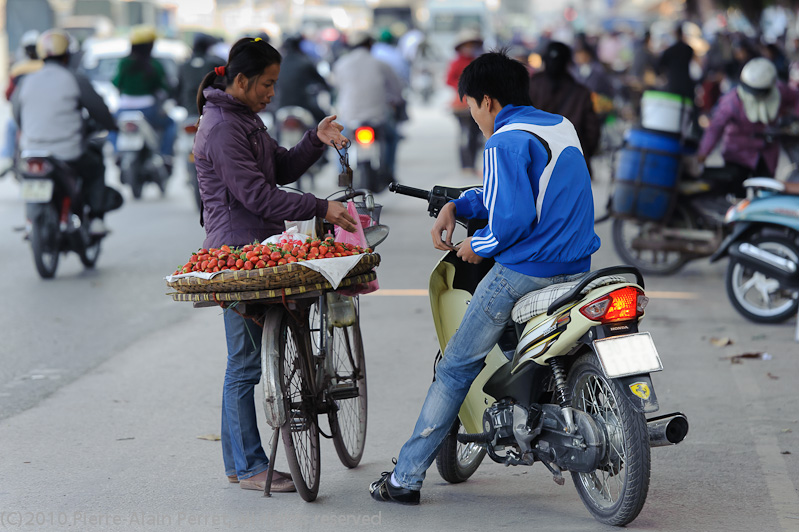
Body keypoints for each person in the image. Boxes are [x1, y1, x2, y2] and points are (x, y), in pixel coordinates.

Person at [369, 51, 601, 505]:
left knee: (455, 367)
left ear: (488, 101)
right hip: (578, 269)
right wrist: (459, 206)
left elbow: (510, 220)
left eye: (471, 105)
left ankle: (405, 478)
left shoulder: (502, 141)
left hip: (526, 273)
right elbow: (518, 195)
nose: (473, 115)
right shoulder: (557, 126)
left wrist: (477, 244)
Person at [193, 36, 356, 492]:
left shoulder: (244, 118)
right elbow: (256, 195)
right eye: (266, 84)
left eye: (274, 84)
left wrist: (315, 140)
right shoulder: (224, 127)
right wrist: (321, 208)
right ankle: (247, 466)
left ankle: (238, 462)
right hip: (236, 253)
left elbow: (279, 170)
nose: (271, 92)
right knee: (245, 364)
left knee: (246, 359)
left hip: (260, 245)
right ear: (241, 80)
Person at [12, 28, 118, 234]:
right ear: (68, 54)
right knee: (95, 165)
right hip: (68, 152)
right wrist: (110, 125)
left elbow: (18, 116)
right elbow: (99, 110)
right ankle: (96, 218)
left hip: (31, 152)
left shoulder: (25, 82)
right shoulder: (75, 79)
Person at [697, 57, 799, 197]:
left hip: (767, 154)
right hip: (737, 154)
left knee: (765, 193)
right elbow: (715, 128)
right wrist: (703, 153)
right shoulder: (731, 102)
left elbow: (796, 98)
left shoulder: (780, 91)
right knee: (737, 196)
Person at [332, 30, 405, 186]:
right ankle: (389, 172)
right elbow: (397, 90)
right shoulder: (381, 64)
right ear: (370, 44)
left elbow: (336, 86)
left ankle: (342, 173)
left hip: (350, 117)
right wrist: (395, 101)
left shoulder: (341, 64)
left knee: (339, 141)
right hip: (377, 117)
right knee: (392, 137)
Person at [529, 41, 600, 176]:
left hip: (535, 161)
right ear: (568, 62)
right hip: (572, 163)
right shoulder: (581, 92)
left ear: (544, 60)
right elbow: (592, 131)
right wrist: (584, 153)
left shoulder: (530, 87)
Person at [112, 25, 177, 167]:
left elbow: (116, 82)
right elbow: (164, 87)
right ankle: (166, 155)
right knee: (170, 124)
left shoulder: (124, 63)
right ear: (150, 46)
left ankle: (117, 152)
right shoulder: (155, 65)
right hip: (148, 110)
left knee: (111, 126)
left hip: (123, 110)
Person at [1, 30, 43, 176]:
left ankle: (7, 158)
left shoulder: (19, 69)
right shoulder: (46, 67)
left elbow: (8, 95)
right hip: (41, 115)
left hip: (24, 115)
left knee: (11, 126)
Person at [446, 29, 484, 175]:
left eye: (472, 45)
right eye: (466, 45)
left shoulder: (477, 62)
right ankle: (465, 165)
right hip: (461, 105)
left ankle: (472, 165)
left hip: (477, 104)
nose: (469, 48)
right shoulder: (456, 63)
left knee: (476, 135)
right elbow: (449, 80)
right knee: (464, 135)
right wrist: (464, 86)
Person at [273, 34, 330, 123]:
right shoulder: (305, 62)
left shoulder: (278, 65)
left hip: (281, 105)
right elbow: (321, 81)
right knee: (326, 121)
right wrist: (328, 88)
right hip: (303, 104)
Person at [177, 33, 224, 112]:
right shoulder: (216, 63)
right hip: (210, 111)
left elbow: (178, 89)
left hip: (189, 110)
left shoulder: (184, 65)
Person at [657, 23, 696, 100]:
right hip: (686, 83)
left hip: (673, 84)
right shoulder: (688, 49)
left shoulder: (669, 51)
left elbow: (660, 66)